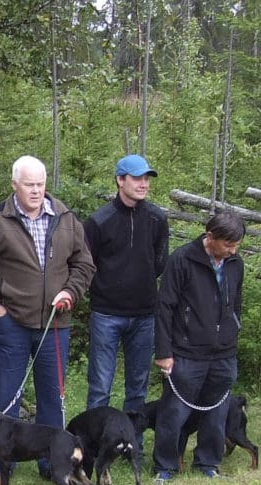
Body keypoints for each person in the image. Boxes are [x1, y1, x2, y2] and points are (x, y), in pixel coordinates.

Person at [0, 155, 95, 480]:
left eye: (40, 184)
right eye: (29, 185)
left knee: (53, 397)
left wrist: (71, 292)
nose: (36, 191)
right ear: (14, 185)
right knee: (7, 399)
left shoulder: (65, 218)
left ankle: (52, 464)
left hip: (55, 325)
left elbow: (84, 264)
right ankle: (1, 465)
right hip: (11, 324)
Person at [151, 212, 246, 481]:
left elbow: (236, 303)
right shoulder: (182, 259)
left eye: (237, 244)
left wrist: (232, 332)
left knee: (217, 413)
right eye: (228, 244)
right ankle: (165, 467)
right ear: (210, 236)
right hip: (185, 352)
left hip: (223, 353)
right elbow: (165, 307)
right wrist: (164, 351)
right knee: (173, 413)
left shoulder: (236, 263)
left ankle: (207, 463)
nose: (233, 250)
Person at [83, 154, 169, 414]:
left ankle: (133, 445)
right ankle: (93, 446)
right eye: (137, 178)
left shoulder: (157, 219)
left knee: (138, 386)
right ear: (120, 180)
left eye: (146, 179)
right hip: (106, 314)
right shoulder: (99, 221)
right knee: (100, 386)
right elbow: (86, 264)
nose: (143, 184)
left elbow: (160, 262)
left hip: (144, 315)